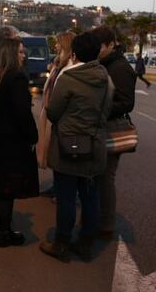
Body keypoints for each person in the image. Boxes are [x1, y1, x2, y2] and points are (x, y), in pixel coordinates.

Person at [39, 32, 113, 262]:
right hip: (96, 144)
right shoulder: (105, 77)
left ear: (74, 53)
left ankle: (61, 243)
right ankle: (85, 243)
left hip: (69, 146)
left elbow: (53, 111)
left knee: (67, 198)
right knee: (91, 198)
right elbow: (107, 109)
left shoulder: (69, 78)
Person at [0, 38, 38, 246]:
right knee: (5, 188)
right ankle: (4, 232)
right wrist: (32, 136)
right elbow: (22, 113)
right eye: (20, 52)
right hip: (9, 141)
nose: (24, 56)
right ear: (10, 54)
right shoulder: (15, 78)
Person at [91, 26, 137, 239]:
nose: (96, 50)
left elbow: (126, 103)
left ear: (111, 44)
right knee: (98, 177)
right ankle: (98, 218)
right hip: (99, 126)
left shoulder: (120, 68)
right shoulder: (104, 63)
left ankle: (106, 224)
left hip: (109, 128)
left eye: (99, 46)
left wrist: (98, 110)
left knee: (105, 178)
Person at [37, 32, 75, 191]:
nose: (56, 46)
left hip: (57, 112)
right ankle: (57, 185)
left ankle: (61, 188)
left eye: (59, 43)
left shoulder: (69, 65)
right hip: (50, 109)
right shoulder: (59, 63)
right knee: (50, 147)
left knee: (56, 149)